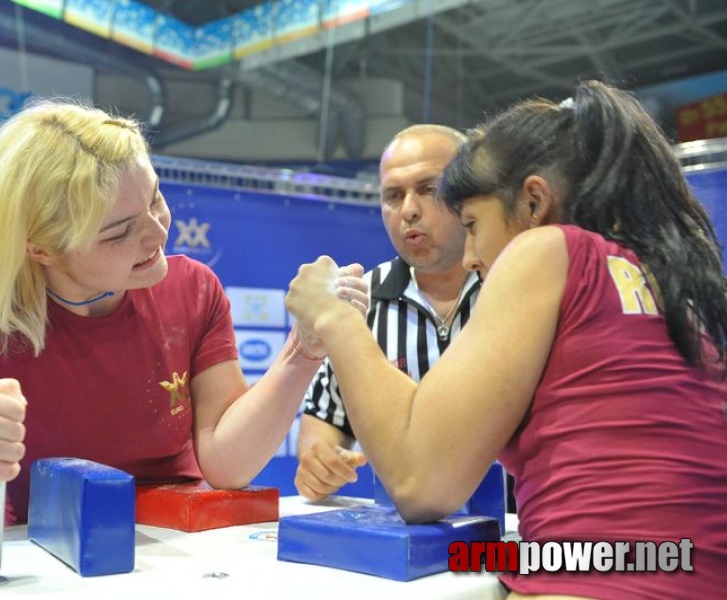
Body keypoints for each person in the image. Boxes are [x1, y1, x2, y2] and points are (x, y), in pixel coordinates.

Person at [0, 99, 367, 537]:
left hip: (180, 554)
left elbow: (227, 465)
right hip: (47, 560)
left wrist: (303, 351)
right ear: (40, 249)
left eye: (156, 199)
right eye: (118, 232)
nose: (158, 235)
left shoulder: (193, 290)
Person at [286, 80, 727, 598]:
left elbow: (421, 486)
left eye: (472, 223)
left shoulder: (544, 250)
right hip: (669, 570)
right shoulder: (664, 274)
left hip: (597, 579)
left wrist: (336, 320)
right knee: (468, 563)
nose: (472, 255)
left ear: (535, 201)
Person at [294, 124, 480, 501]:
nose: (409, 210)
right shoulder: (359, 302)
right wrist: (321, 462)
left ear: (470, 194)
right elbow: (323, 422)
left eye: (430, 189)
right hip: (408, 536)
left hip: (517, 536)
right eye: (393, 196)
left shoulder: (515, 289)